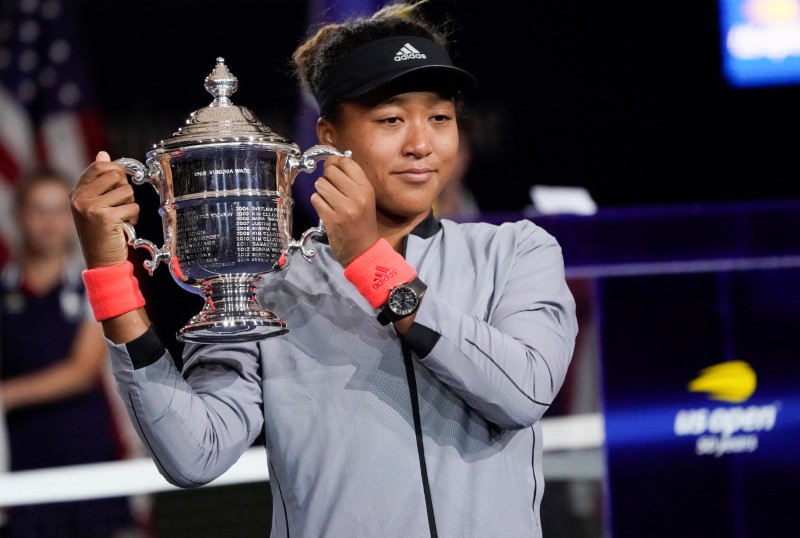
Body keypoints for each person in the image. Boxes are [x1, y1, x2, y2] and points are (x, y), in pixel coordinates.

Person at [69, 1, 578, 536]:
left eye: (440, 118)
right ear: (329, 138)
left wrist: (369, 262)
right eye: (391, 120)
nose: (421, 144)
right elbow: (194, 454)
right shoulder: (269, 285)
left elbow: (522, 394)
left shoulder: (517, 251)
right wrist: (111, 277)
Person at [0, 169, 143, 537]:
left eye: (58, 211)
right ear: (18, 215)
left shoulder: (91, 285)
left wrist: (6, 395)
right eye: (38, 210)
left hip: (90, 453)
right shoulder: (4, 290)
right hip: (23, 458)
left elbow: (82, 371)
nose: (49, 223)